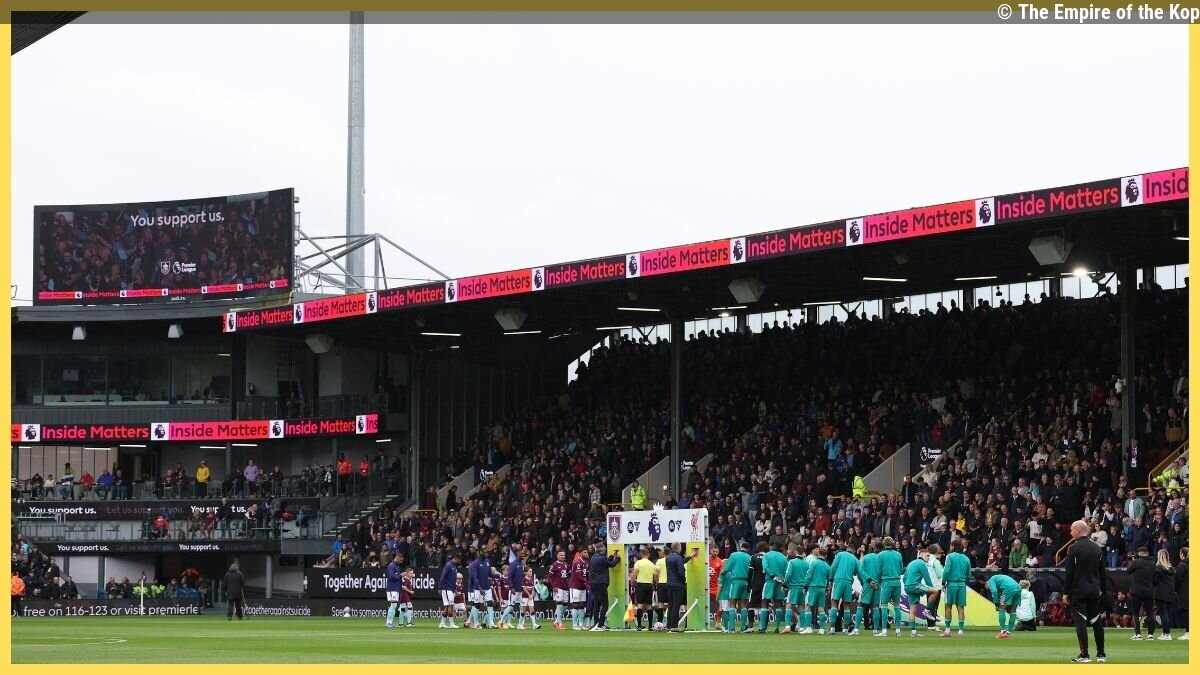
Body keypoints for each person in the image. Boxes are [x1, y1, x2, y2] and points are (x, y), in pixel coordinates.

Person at [1063, 519, 1109, 662]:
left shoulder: (1073, 548)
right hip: (1094, 591)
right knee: (1096, 622)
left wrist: (1065, 592)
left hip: (1078, 591)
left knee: (1081, 622)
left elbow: (1069, 573)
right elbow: (1102, 572)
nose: (1071, 532)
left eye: (1072, 530)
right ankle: (1101, 654)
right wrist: (1103, 590)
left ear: (1078, 530)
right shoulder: (1097, 548)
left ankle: (1084, 655)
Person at [902, 546, 939, 637]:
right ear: (921, 555)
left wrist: (908, 585)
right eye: (927, 555)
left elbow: (904, 578)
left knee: (913, 610)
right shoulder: (922, 564)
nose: (928, 557)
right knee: (935, 592)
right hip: (914, 585)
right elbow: (927, 578)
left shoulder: (911, 563)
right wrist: (931, 589)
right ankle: (927, 610)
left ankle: (913, 631)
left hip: (908, 587)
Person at [940, 540, 972, 637]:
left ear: (953, 546)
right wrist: (964, 581)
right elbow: (968, 574)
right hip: (962, 585)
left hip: (951, 584)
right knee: (960, 607)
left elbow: (946, 571)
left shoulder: (950, 556)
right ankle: (960, 631)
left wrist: (943, 582)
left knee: (948, 606)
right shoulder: (966, 558)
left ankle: (947, 630)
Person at [829, 542, 861, 635]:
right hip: (848, 582)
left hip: (838, 580)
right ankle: (845, 629)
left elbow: (833, 567)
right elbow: (858, 572)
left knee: (834, 603)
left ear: (847, 548)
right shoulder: (855, 559)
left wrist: (830, 579)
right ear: (854, 550)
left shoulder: (840, 554)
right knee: (846, 605)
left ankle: (832, 628)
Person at [587, 540, 620, 631]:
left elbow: (605, 563)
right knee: (605, 604)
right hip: (601, 583)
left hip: (594, 583)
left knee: (597, 604)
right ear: (602, 549)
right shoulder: (602, 558)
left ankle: (596, 623)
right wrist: (617, 558)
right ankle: (601, 624)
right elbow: (611, 564)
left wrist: (611, 556)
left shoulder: (593, 557)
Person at [665, 542, 697, 632]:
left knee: (671, 605)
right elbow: (680, 571)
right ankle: (674, 626)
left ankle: (669, 625)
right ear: (679, 547)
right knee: (676, 605)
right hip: (678, 585)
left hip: (670, 584)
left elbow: (679, 563)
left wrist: (689, 557)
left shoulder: (668, 557)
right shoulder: (678, 557)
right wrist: (683, 581)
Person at [877, 537, 905, 637]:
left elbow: (879, 571)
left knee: (884, 606)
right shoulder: (898, 554)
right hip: (897, 582)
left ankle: (884, 630)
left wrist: (879, 582)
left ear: (884, 544)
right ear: (892, 543)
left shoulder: (880, 555)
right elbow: (901, 570)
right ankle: (898, 630)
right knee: (897, 606)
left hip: (886, 582)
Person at [801, 545, 831, 634]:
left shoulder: (814, 563)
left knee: (808, 607)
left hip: (813, 588)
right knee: (821, 608)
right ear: (826, 555)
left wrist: (805, 586)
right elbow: (828, 579)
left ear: (818, 554)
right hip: (822, 589)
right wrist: (826, 588)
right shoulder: (827, 566)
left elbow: (809, 576)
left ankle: (809, 628)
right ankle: (821, 629)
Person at [759, 541, 788, 633]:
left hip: (770, 581)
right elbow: (786, 571)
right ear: (780, 548)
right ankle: (777, 627)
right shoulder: (784, 558)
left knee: (765, 602)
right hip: (780, 582)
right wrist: (784, 582)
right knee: (778, 603)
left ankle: (762, 627)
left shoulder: (767, 555)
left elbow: (765, 567)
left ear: (772, 547)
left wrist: (772, 576)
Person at [1128, 546, 1156, 640]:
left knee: (1135, 613)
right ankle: (1150, 634)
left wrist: (1132, 561)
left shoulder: (1137, 562)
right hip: (1149, 591)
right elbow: (1155, 578)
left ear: (1140, 553)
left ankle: (1138, 634)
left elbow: (1128, 571)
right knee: (1150, 612)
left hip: (1137, 591)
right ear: (1147, 553)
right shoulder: (1153, 563)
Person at [781, 546, 810, 633]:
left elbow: (788, 574)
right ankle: (801, 627)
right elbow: (808, 576)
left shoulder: (792, 562)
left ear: (796, 552)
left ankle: (787, 627)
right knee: (802, 608)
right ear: (803, 552)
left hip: (793, 587)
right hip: (803, 588)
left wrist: (784, 584)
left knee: (789, 605)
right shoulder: (807, 563)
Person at [856, 540, 881, 636]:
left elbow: (861, 570)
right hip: (878, 584)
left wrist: (869, 580)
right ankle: (875, 629)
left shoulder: (866, 557)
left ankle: (856, 629)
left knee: (861, 605)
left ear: (874, 548)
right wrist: (878, 582)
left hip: (868, 583)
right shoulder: (882, 558)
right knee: (876, 606)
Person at [987, 572, 1022, 639]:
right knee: (1013, 611)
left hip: (1009, 588)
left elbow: (994, 591)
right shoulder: (999, 579)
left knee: (1001, 608)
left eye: (988, 588)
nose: (989, 589)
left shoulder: (991, 580)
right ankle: (1008, 633)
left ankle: (1002, 632)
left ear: (987, 583)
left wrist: (996, 604)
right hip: (1018, 588)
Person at [1151, 548, 1177, 640]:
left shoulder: (1158, 568)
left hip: (1160, 593)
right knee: (1167, 614)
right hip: (1170, 593)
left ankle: (1167, 634)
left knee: (1163, 614)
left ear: (1159, 557)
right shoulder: (1171, 569)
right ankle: (1165, 632)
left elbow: (1154, 581)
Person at [631, 547, 656, 631]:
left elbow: (634, 574)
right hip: (649, 584)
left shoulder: (638, 563)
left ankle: (639, 626)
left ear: (641, 554)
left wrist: (632, 583)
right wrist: (654, 583)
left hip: (641, 584)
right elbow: (655, 576)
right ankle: (650, 626)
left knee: (640, 605)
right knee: (649, 605)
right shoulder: (652, 564)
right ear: (648, 554)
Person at [546, 549, 570, 630]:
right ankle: (560, 623)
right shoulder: (555, 565)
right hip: (558, 587)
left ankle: (556, 621)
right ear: (557, 556)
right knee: (559, 605)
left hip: (565, 587)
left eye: (564, 555)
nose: (563, 556)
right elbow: (549, 576)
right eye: (561, 555)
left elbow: (569, 574)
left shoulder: (566, 564)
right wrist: (553, 586)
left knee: (565, 605)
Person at [437, 550, 461, 629]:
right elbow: (443, 576)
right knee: (450, 605)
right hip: (446, 588)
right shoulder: (448, 565)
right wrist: (440, 587)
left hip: (450, 588)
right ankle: (451, 623)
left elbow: (453, 579)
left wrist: (454, 589)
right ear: (456, 558)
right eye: (459, 559)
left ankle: (442, 623)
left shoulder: (454, 566)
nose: (459, 561)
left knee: (448, 606)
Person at [385, 552, 404, 628]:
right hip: (392, 588)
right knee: (393, 605)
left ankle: (389, 622)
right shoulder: (392, 565)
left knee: (394, 605)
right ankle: (388, 622)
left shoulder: (396, 566)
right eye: (401, 560)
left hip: (395, 588)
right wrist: (400, 575)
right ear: (397, 557)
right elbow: (391, 577)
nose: (401, 562)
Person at [1175, 547, 1189, 641]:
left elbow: (1178, 579)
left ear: (1182, 554)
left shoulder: (1182, 565)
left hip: (1184, 592)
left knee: (1186, 612)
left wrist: (1175, 589)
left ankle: (1188, 633)